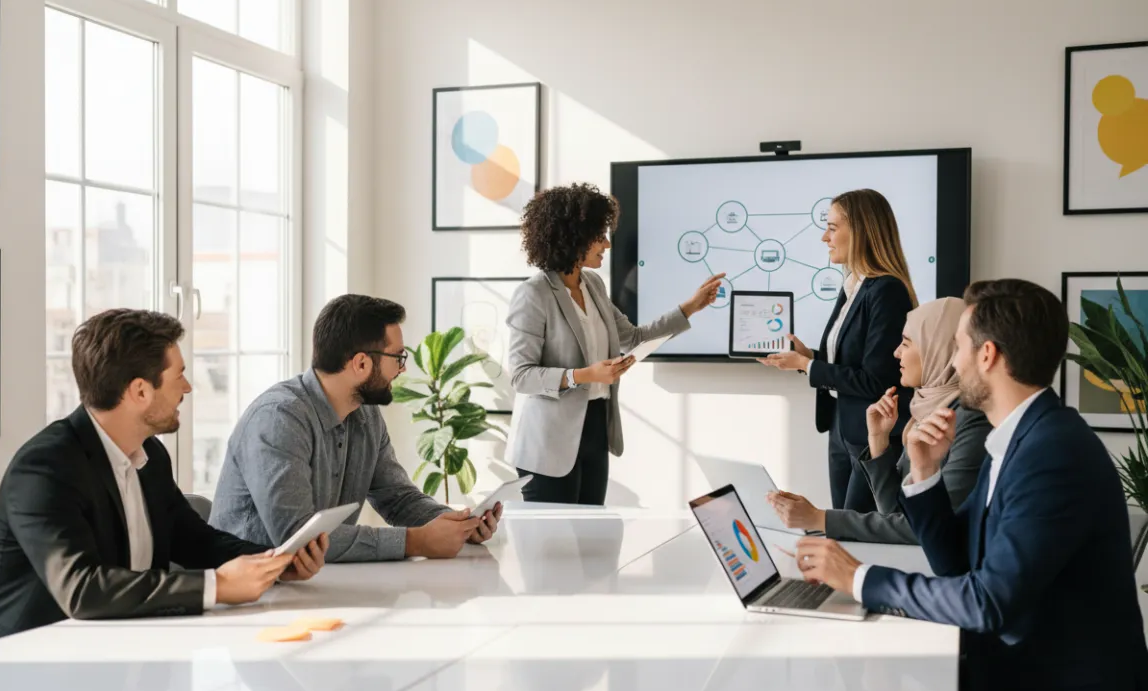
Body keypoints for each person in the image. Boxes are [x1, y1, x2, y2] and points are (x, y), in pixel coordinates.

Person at [786, 279, 1148, 691]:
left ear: (988, 356)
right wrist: (924, 472)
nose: (953, 363)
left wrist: (857, 577)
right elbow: (958, 561)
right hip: (1020, 687)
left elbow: (988, 602)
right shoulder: (1020, 440)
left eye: (958, 347)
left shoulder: (1052, 453)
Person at [0, 310, 328, 644]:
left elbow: (191, 539)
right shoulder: (45, 468)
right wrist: (216, 586)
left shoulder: (150, 455)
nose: (187, 388)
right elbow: (82, 589)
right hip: (28, 666)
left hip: (124, 647)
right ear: (140, 391)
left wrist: (276, 561)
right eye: (178, 376)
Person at [210, 294, 498, 561]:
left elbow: (397, 498)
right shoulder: (278, 419)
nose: (403, 369)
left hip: (312, 585)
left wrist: (458, 524)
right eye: (398, 358)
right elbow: (297, 535)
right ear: (361, 363)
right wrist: (414, 542)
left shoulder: (366, 415)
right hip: (249, 594)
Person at [505, 182, 724, 505]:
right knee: (552, 548)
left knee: (591, 540)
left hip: (594, 428)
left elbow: (633, 338)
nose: (607, 244)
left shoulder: (593, 284)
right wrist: (584, 375)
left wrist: (691, 307)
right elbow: (521, 375)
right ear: (573, 236)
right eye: (599, 235)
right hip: (548, 443)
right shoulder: (534, 294)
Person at [767, 297, 991, 544]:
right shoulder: (926, 411)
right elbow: (894, 512)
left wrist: (819, 519)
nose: (896, 353)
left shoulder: (971, 422)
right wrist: (878, 441)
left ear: (936, 349)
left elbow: (930, 527)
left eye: (906, 343)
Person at [761, 189, 917, 514]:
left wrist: (807, 366)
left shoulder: (886, 290)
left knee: (856, 533)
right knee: (844, 530)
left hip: (869, 435)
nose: (824, 237)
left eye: (832, 227)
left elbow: (876, 381)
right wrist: (812, 357)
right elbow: (856, 359)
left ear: (860, 231)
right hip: (841, 427)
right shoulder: (854, 286)